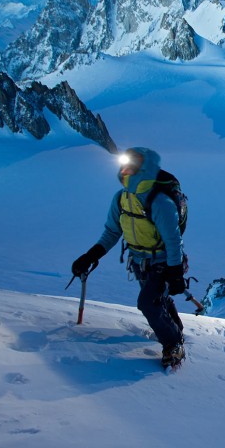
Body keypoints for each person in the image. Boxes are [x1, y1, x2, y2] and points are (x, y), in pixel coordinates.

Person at [71, 147, 187, 368]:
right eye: (123, 166)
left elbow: (173, 241)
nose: (124, 171)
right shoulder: (121, 199)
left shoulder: (160, 202)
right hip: (139, 261)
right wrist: (91, 256)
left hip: (162, 261)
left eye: (130, 167)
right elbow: (112, 232)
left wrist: (176, 272)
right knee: (157, 299)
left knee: (147, 303)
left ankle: (174, 344)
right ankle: (176, 330)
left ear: (144, 169)